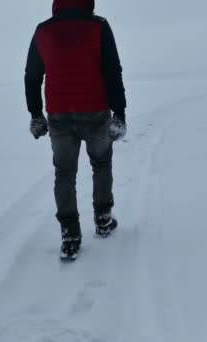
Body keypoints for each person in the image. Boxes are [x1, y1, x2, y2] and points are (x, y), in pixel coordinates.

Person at [24, 0, 127, 260]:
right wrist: (119, 113)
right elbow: (113, 71)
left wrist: (36, 114)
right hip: (95, 112)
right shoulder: (98, 26)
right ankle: (103, 218)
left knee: (64, 173)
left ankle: (70, 233)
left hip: (59, 115)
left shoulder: (43, 31)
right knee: (101, 164)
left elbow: (32, 76)